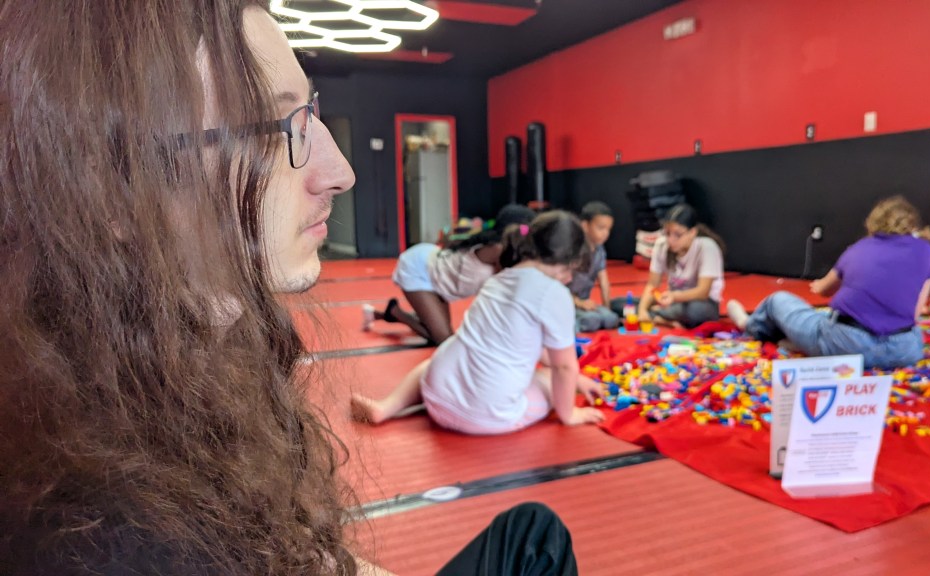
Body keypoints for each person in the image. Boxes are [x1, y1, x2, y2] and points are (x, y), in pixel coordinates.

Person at [0, 2, 577, 573]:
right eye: (272, 130)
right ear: (111, 193)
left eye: (309, 113)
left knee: (532, 531)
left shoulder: (197, 371)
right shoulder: (114, 537)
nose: (340, 172)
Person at [352, 211, 606, 434]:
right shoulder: (554, 293)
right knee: (549, 380)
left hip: (436, 393)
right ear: (569, 261)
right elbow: (564, 367)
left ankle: (386, 407)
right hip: (485, 416)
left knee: (432, 363)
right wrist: (569, 413)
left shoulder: (499, 279)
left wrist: (579, 380)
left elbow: (527, 344)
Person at [727, 196, 930, 369]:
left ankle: (750, 325)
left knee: (779, 301)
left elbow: (825, 290)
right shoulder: (925, 250)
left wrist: (819, 285)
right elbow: (915, 313)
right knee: (828, 319)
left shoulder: (859, 248)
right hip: (903, 350)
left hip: (848, 345)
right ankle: (799, 342)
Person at [364, 204, 536, 345]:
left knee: (437, 330)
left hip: (440, 278)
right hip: (420, 270)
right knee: (443, 339)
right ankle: (396, 312)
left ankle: (385, 314)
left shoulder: (506, 250)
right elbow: (515, 280)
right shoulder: (498, 250)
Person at [636, 203, 726, 328]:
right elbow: (652, 284)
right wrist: (642, 310)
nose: (671, 240)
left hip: (702, 303)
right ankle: (662, 316)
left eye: (678, 235)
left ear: (692, 232)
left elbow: (703, 292)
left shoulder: (707, 247)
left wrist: (674, 296)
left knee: (695, 311)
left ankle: (659, 315)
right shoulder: (662, 245)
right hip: (673, 302)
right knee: (623, 304)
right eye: (667, 233)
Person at [570, 201, 619, 332]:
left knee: (611, 319)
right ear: (585, 226)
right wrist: (579, 303)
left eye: (608, 229)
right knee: (592, 320)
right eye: (601, 228)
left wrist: (607, 308)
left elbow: (604, 282)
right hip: (568, 302)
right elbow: (559, 286)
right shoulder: (573, 250)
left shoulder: (600, 250)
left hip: (584, 303)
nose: (605, 233)